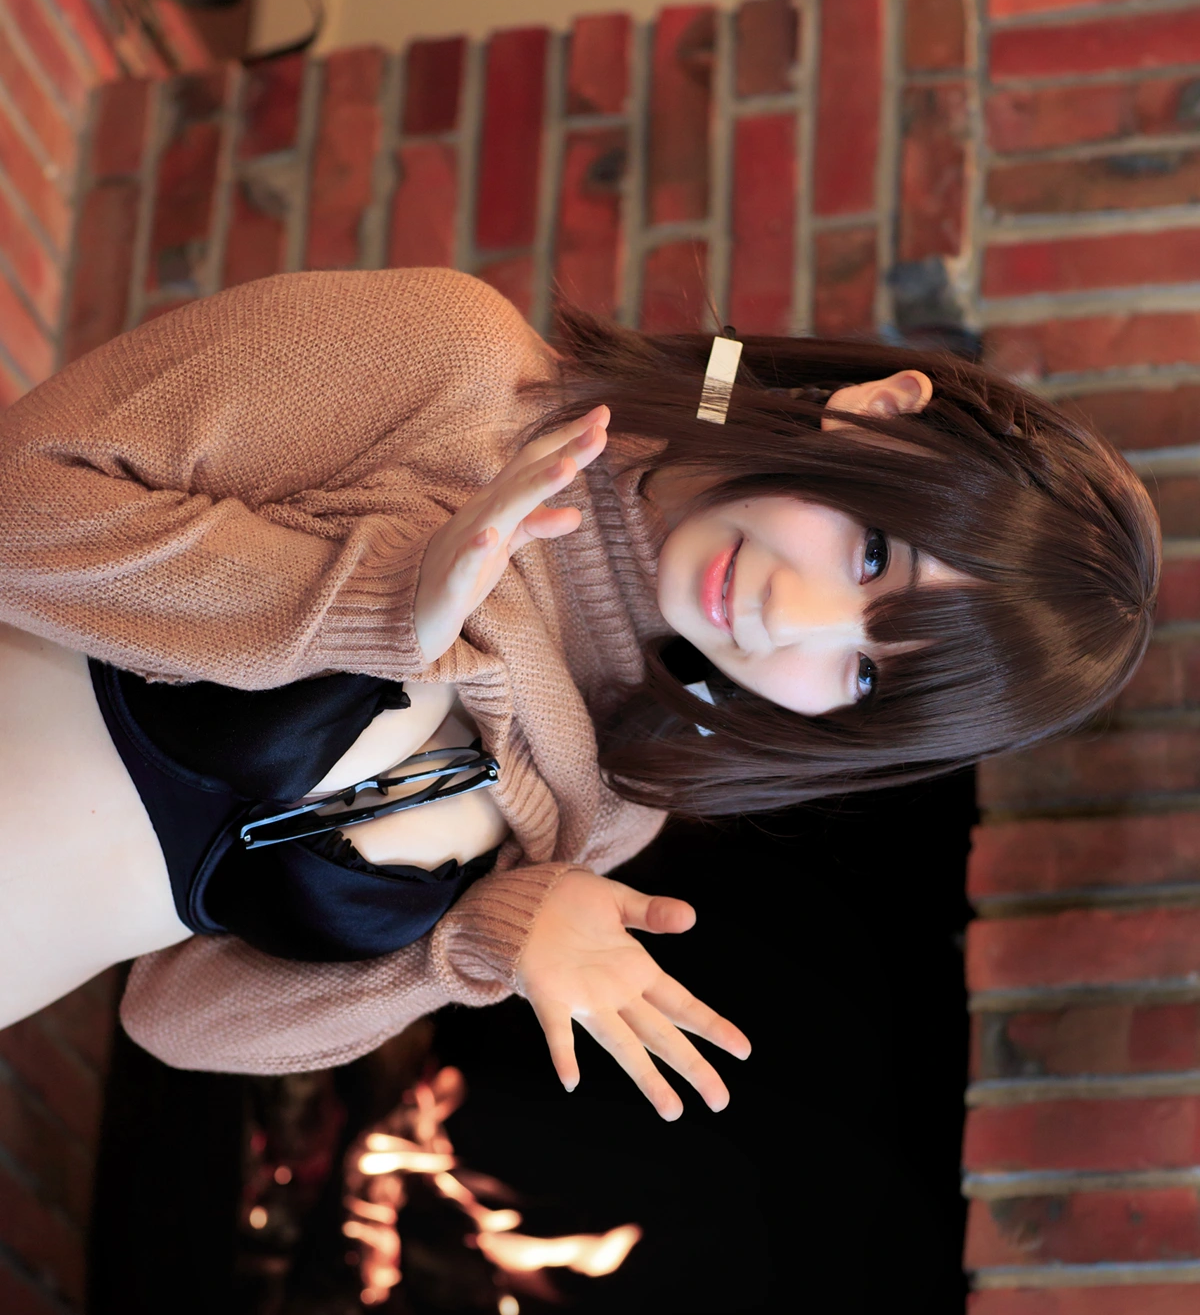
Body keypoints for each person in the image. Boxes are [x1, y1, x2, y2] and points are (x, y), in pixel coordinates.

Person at [0, 269, 1159, 1117]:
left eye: (861, 672)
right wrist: (383, 607)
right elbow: (21, 495)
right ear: (879, 413)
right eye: (872, 555)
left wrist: (475, 944)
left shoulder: (607, 805)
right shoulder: (461, 371)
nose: (791, 616)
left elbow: (179, 1016)